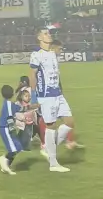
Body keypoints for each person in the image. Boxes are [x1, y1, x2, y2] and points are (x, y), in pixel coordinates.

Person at [29, 28, 73, 173]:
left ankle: (49, 148)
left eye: (49, 33)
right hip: (46, 96)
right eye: (46, 33)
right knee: (51, 126)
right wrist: (34, 96)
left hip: (58, 94)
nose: (49, 35)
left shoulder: (52, 53)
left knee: (69, 122)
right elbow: (32, 75)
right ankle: (53, 164)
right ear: (39, 37)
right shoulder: (37, 55)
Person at [0, 84, 25, 175]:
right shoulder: (9, 105)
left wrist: (34, 106)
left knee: (18, 147)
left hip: (8, 128)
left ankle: (5, 166)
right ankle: (3, 160)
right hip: (6, 128)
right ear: (12, 93)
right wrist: (13, 131)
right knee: (13, 150)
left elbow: (20, 108)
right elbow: (9, 119)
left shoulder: (10, 104)